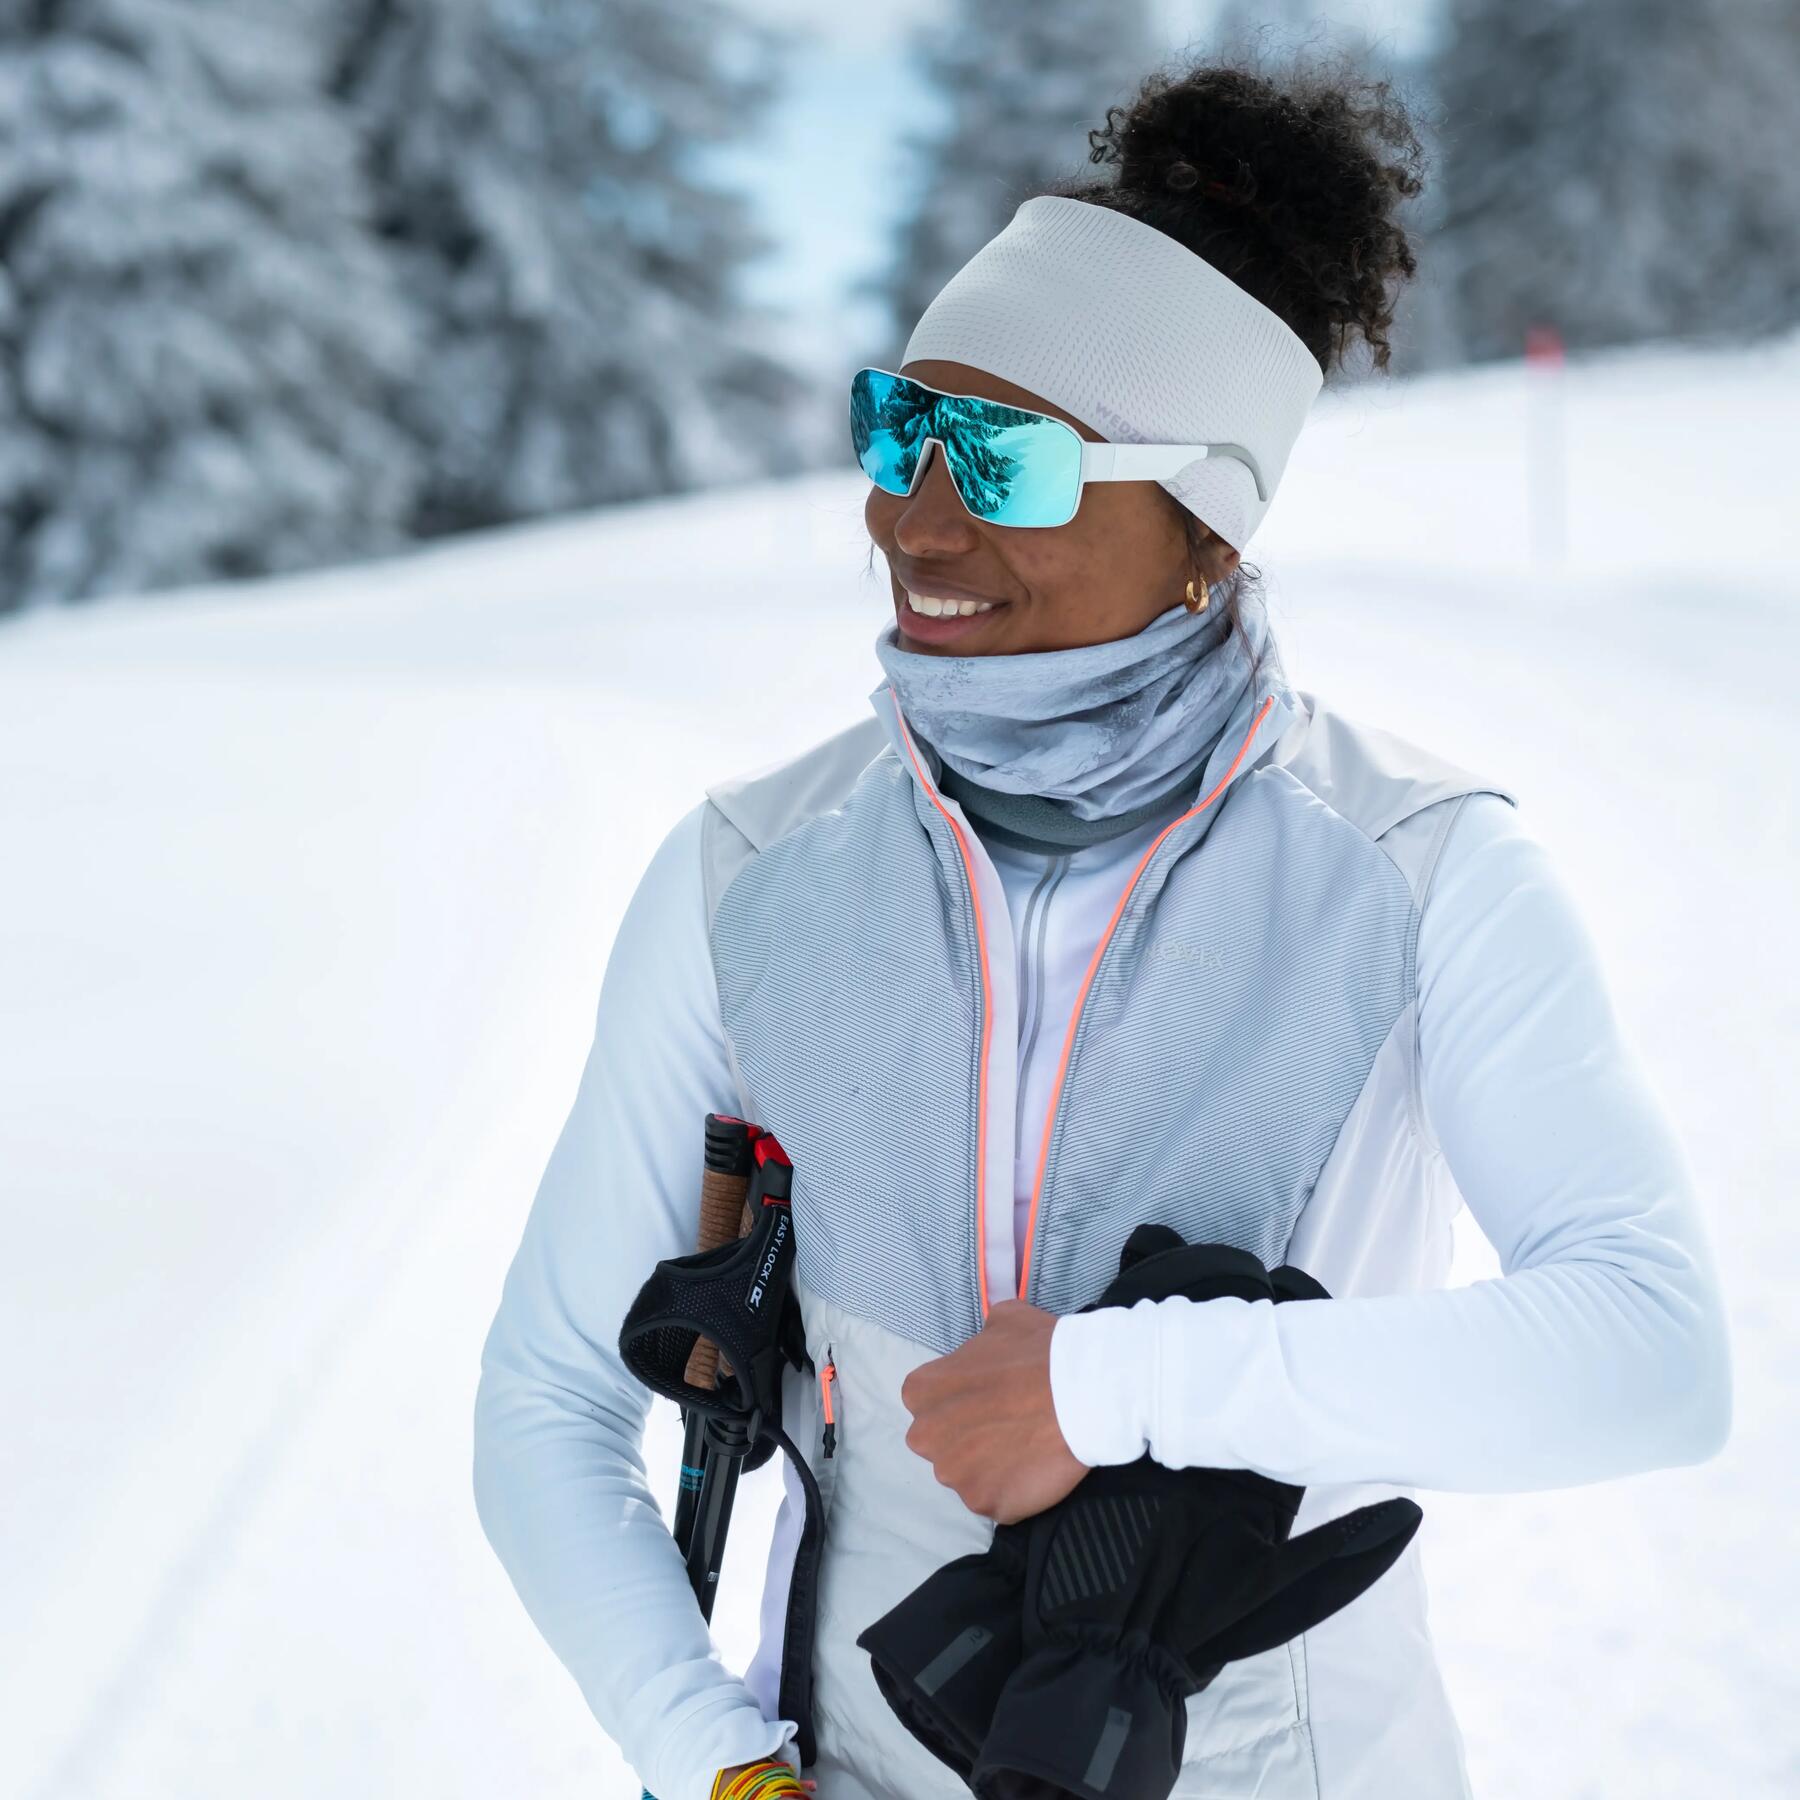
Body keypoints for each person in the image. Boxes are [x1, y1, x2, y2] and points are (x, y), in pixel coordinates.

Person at [472, 52, 1733, 1800]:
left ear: (1204, 525)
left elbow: (1649, 1356)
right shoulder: (747, 873)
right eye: (894, 425)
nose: (913, 513)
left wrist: (1123, 1387)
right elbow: (545, 1402)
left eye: (997, 455)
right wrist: (714, 1764)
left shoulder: (1424, 873)